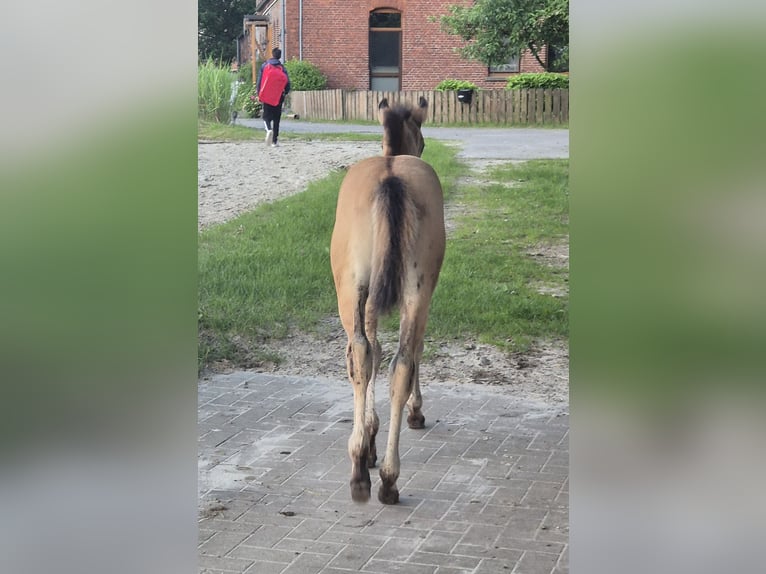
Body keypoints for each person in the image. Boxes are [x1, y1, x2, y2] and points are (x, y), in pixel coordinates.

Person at [256, 48, 291, 147]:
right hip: (278, 96)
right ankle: (274, 141)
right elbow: (287, 83)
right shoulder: (282, 68)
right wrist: (285, 93)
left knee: (266, 117)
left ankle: (268, 130)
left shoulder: (265, 66)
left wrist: (259, 93)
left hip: (267, 95)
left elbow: (260, 81)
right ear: (279, 56)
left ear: (272, 54)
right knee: (277, 119)